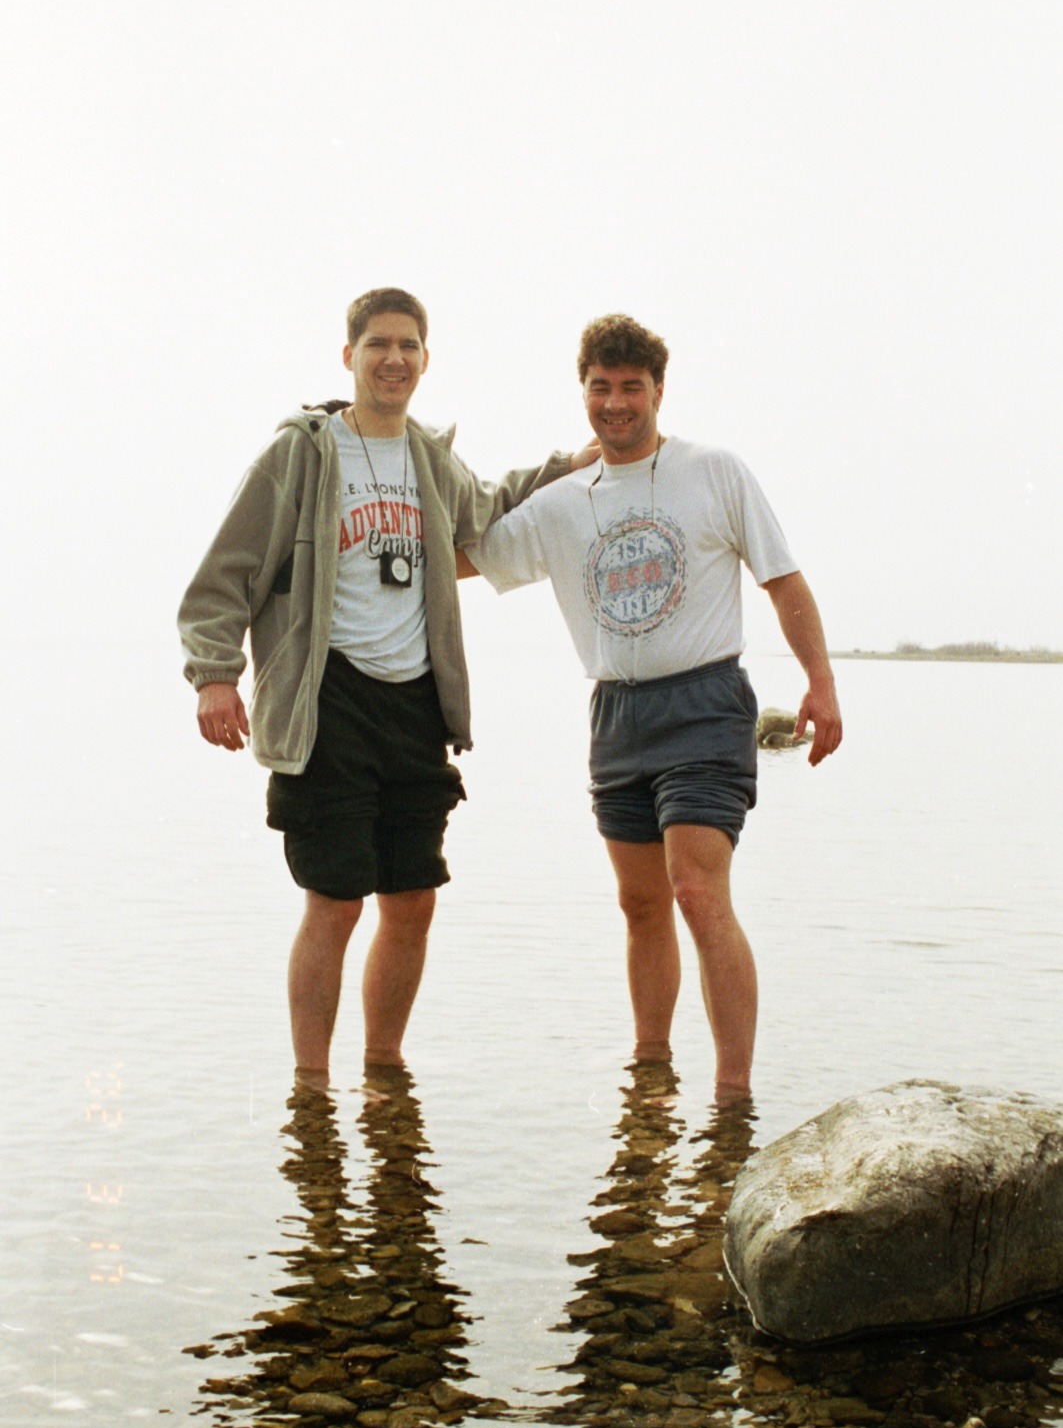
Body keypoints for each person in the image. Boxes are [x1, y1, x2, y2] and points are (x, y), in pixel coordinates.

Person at [178, 287, 595, 1087]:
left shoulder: (430, 458)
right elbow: (221, 579)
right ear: (349, 356)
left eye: (407, 345)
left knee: (412, 898)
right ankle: (310, 1085)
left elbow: (490, 503)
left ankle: (384, 1070)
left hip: (414, 703)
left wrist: (567, 465)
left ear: (425, 359)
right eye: (377, 344)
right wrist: (213, 675)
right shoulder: (298, 454)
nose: (393, 358)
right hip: (326, 699)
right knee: (334, 901)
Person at [460, 313, 842, 1097]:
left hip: (704, 703)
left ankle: (733, 1093)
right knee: (640, 903)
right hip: (615, 715)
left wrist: (820, 681)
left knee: (696, 892)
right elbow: (462, 558)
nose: (614, 403)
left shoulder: (715, 471)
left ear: (658, 391)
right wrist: (354, 541)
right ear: (584, 393)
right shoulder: (563, 502)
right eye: (600, 387)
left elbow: (782, 579)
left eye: (630, 386)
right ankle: (650, 1072)